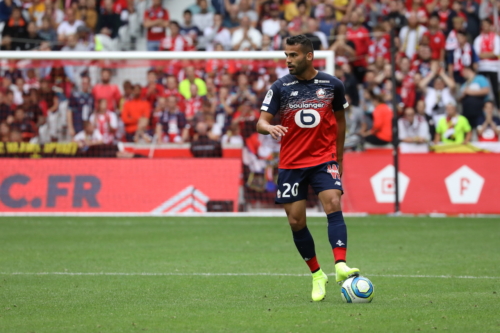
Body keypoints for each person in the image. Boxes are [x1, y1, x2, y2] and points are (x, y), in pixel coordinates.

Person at [256, 35, 360, 302]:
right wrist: (270, 127)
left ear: (309, 56)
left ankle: (340, 265)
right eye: (286, 55)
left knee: (333, 203)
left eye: (293, 55)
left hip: (323, 159)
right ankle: (317, 274)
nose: (288, 60)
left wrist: (339, 159)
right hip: (291, 163)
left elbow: (340, 123)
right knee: (295, 221)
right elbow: (261, 122)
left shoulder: (332, 85)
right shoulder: (280, 87)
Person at [473, 18, 500, 107]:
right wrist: (490, 54)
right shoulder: (478, 39)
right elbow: (477, 54)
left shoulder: (496, 38)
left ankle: (498, 107)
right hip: (482, 67)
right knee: (482, 88)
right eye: (483, 25)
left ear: (490, 26)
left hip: (494, 67)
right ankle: (483, 107)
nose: (485, 27)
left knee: (495, 89)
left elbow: (496, 53)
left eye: (487, 25)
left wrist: (483, 55)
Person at [459, 64, 491, 129]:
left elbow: (486, 90)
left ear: (468, 70)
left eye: (463, 71)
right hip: (466, 112)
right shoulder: (464, 84)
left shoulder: (480, 78)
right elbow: (459, 99)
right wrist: (463, 96)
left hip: (479, 112)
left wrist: (470, 92)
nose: (462, 74)